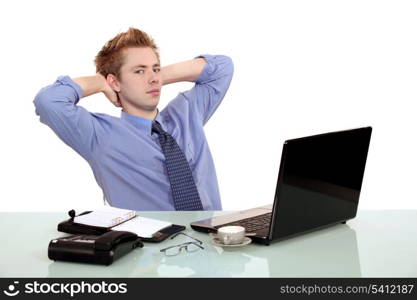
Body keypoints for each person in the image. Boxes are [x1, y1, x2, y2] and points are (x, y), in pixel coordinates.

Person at [33, 27, 234, 211]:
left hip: (214, 241)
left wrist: (156, 75)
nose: (154, 78)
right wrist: (101, 83)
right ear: (114, 81)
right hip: (150, 247)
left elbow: (223, 68)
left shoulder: (186, 113)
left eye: (155, 68)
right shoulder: (100, 136)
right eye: (139, 71)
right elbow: (49, 101)